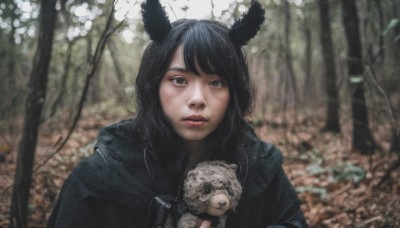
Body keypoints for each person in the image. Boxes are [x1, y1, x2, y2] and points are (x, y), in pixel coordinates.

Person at [47, 0, 308, 227]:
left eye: (215, 82)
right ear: (154, 85)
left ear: (234, 92)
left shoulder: (258, 163)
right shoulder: (102, 173)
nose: (197, 100)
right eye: (179, 80)